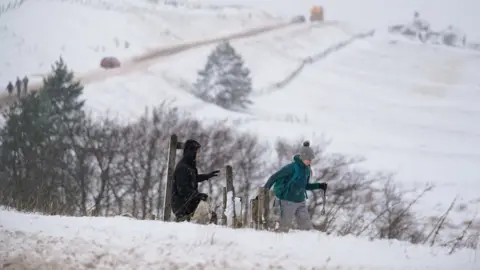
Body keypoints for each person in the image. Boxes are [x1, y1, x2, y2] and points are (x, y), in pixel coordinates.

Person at [263, 141, 327, 232]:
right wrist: (265, 190)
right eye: (309, 159)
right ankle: (274, 240)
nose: (310, 161)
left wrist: (319, 185)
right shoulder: (292, 167)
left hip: (300, 201)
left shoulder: (307, 169)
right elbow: (274, 177)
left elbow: (305, 186)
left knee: (307, 228)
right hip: (288, 200)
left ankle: (309, 244)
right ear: (303, 157)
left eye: (311, 159)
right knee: (284, 228)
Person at [171, 139, 220, 222]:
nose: (199, 155)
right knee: (207, 216)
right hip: (182, 206)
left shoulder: (189, 167)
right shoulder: (182, 168)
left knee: (212, 215)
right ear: (191, 152)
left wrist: (207, 176)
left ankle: (209, 232)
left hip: (188, 203)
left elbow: (193, 178)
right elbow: (182, 189)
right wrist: (197, 196)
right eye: (197, 152)